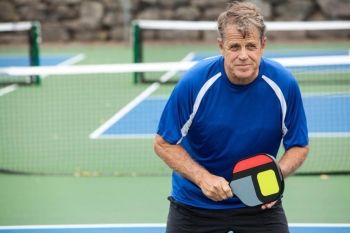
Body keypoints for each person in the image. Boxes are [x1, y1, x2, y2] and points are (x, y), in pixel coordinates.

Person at [153, 1, 309, 233]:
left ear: (263, 45)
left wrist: (272, 177)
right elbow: (163, 143)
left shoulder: (283, 84)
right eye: (235, 47)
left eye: (250, 46)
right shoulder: (194, 83)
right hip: (195, 206)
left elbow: (299, 146)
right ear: (221, 46)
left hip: (259, 206)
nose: (243, 55)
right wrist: (203, 178)